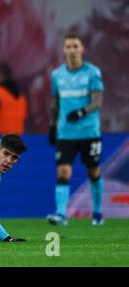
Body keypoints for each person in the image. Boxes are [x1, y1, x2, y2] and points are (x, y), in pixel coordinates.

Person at [47, 33, 105, 226]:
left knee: (93, 171)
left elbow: (97, 101)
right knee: (63, 171)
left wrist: (81, 112)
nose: (72, 50)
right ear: (63, 50)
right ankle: (61, 214)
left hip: (89, 132)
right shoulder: (57, 75)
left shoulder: (92, 73)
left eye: (75, 46)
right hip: (66, 133)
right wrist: (53, 125)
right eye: (68, 46)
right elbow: (55, 101)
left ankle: (97, 211)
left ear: (82, 49)